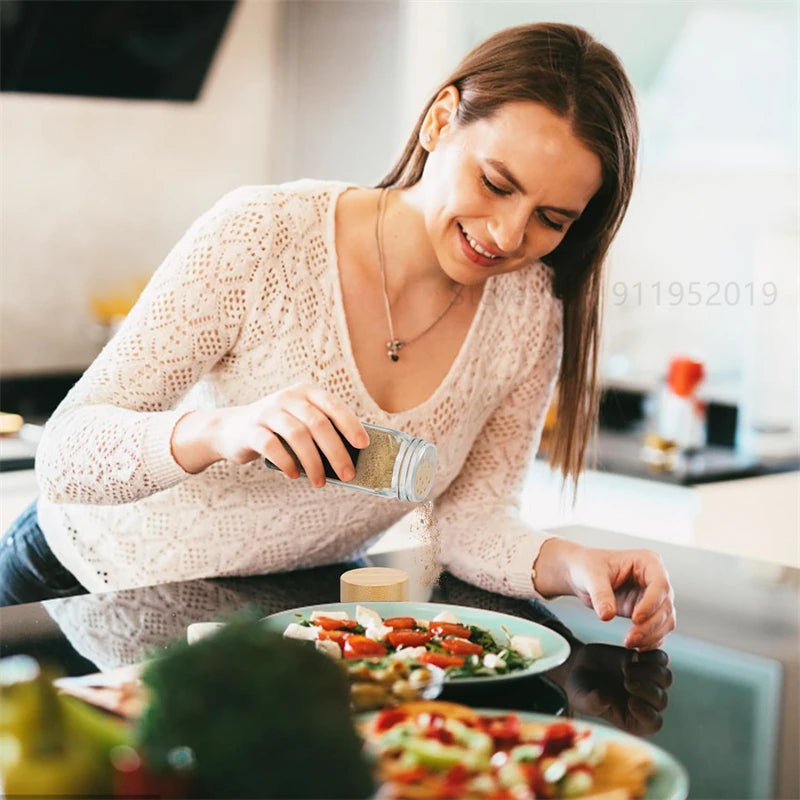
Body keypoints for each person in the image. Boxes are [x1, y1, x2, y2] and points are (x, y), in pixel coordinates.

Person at [0, 23, 675, 650]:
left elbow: (473, 520)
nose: (506, 235)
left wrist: (572, 564)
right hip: (71, 589)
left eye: (550, 219)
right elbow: (64, 457)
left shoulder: (528, 313)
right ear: (441, 120)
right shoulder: (263, 235)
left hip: (280, 623)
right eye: (495, 183)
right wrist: (219, 431)